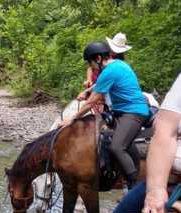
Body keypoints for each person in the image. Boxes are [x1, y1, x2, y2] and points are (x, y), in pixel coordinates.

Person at [59, 41, 149, 189]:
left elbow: (91, 103)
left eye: (91, 62)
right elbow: (99, 84)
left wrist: (72, 119)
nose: (92, 67)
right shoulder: (118, 64)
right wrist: (88, 91)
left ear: (99, 58)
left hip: (133, 112)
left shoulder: (109, 71)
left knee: (117, 147)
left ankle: (133, 184)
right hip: (122, 111)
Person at [107, 74, 181, 213]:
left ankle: (131, 180)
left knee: (117, 147)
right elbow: (166, 129)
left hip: (134, 113)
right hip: (174, 178)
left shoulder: (112, 70)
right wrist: (156, 189)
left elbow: (96, 95)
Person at [78, 32, 132, 102]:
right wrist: (89, 80)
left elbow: (110, 77)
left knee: (100, 99)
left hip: (105, 79)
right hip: (97, 77)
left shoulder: (119, 60)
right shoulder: (103, 51)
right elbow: (90, 66)